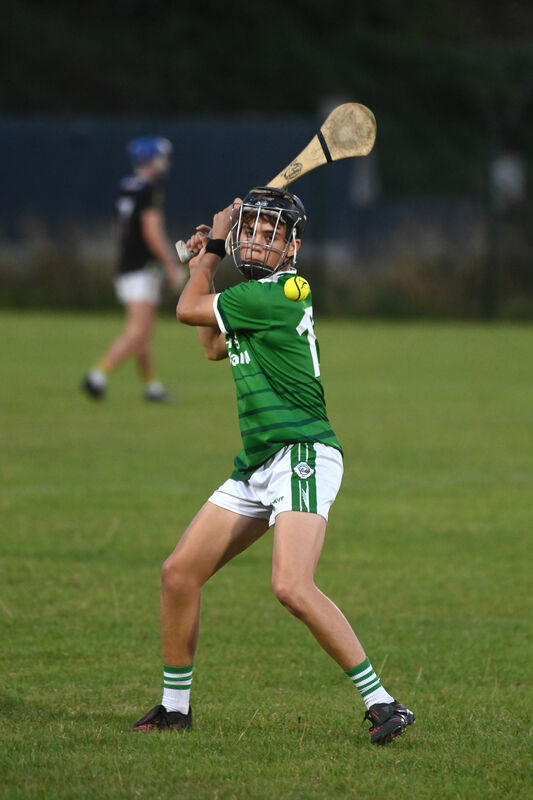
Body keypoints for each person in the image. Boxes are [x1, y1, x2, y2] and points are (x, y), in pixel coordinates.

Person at [131, 186, 415, 744]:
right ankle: (173, 708)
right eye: (253, 230)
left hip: (303, 451)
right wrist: (201, 263)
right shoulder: (254, 296)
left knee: (291, 585)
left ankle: (384, 704)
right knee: (179, 574)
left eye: (272, 233)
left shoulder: (286, 289)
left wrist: (208, 252)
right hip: (259, 460)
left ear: (293, 246)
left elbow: (189, 310)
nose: (261, 241)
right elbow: (211, 345)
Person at [82, 135, 187, 402]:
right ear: (152, 159)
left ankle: (152, 387)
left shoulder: (126, 186)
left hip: (127, 265)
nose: (166, 162)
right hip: (142, 268)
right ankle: (98, 375)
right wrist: (171, 264)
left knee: (145, 329)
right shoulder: (150, 189)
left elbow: (117, 229)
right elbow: (152, 232)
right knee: (138, 330)